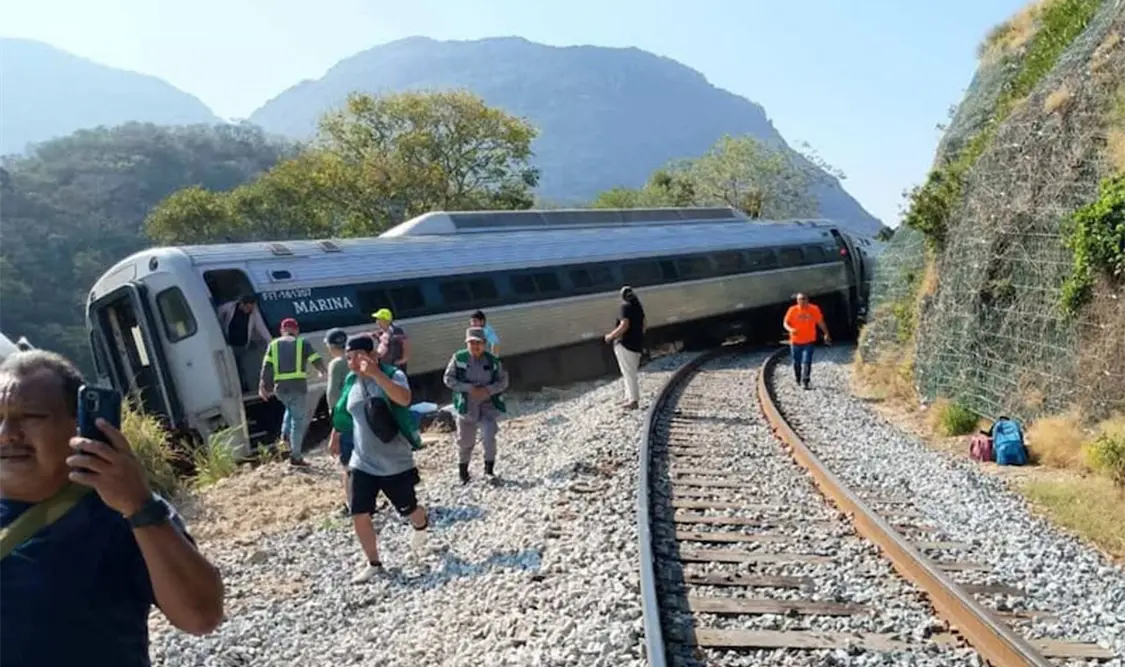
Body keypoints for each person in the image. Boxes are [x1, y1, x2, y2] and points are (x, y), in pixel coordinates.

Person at [0, 350, 224, 665]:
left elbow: (201, 617)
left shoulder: (121, 512)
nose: (7, 434)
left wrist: (139, 506)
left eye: (31, 416)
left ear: (79, 425)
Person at [342, 335, 431, 583]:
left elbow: (404, 399)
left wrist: (376, 374)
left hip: (395, 462)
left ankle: (421, 524)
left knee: (409, 509)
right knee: (359, 512)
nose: (352, 363)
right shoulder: (351, 382)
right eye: (348, 358)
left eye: (357, 357)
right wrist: (336, 435)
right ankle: (374, 563)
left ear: (373, 355)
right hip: (362, 462)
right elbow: (346, 412)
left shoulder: (393, 375)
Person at [443, 327, 510, 485]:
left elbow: (503, 381)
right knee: (465, 441)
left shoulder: (492, 361)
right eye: (471, 343)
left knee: (489, 437)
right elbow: (448, 379)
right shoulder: (458, 358)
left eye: (478, 343)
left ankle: (489, 471)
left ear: (484, 344)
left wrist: (488, 390)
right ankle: (463, 473)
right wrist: (468, 388)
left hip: (487, 406)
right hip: (466, 406)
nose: (475, 346)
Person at [259, 318, 326, 467]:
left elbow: (267, 367)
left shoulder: (273, 344)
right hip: (298, 387)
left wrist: (263, 387)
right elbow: (315, 358)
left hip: (281, 389)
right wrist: (322, 371)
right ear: (296, 330)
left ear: (282, 330)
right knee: (298, 421)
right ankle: (296, 456)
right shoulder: (302, 343)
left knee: (289, 409)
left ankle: (284, 435)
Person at [323, 328, 354, 512]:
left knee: (348, 464)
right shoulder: (355, 359)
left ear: (331, 346)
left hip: (345, 418)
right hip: (360, 415)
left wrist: (335, 427)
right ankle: (369, 500)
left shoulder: (336, 364)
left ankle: (352, 504)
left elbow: (333, 395)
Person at [216, 295, 272, 393]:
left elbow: (261, 327)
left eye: (251, 308)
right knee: (231, 367)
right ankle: (234, 387)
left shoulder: (253, 313)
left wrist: (270, 341)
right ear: (242, 304)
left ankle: (244, 387)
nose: (250, 310)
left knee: (242, 367)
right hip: (229, 345)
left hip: (242, 346)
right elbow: (217, 314)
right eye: (248, 308)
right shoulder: (230, 307)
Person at [604, 286, 646, 410]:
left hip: (625, 344)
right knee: (629, 372)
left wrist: (610, 336)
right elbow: (644, 325)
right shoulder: (638, 308)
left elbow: (624, 325)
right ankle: (628, 397)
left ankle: (633, 401)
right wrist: (638, 336)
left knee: (629, 373)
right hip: (637, 345)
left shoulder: (625, 307)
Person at [783, 293, 831, 390]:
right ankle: (798, 378)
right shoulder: (792, 310)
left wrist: (826, 333)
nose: (802, 301)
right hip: (795, 341)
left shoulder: (814, 309)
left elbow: (820, 322)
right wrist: (790, 329)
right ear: (797, 301)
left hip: (809, 340)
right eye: (800, 299)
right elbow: (785, 323)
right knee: (796, 362)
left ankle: (805, 381)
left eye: (804, 299)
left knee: (807, 361)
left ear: (808, 300)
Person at [371, 308, 410, 374]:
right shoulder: (383, 332)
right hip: (386, 365)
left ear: (386, 320)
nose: (377, 322)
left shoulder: (396, 331)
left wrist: (403, 359)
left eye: (379, 319)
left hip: (395, 367)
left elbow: (406, 343)